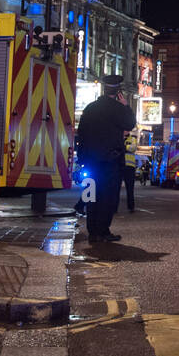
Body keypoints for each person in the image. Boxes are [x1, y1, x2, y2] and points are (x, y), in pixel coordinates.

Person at [74, 74, 135, 243]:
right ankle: (103, 230)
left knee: (90, 196)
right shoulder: (118, 109)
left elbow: (82, 134)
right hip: (110, 161)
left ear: (104, 88)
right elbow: (130, 124)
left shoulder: (90, 108)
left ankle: (92, 231)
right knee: (108, 196)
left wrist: (81, 158)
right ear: (117, 91)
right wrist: (125, 106)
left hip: (90, 161)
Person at [121, 133, 138, 211]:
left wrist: (124, 147)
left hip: (129, 166)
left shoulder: (132, 139)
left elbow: (133, 148)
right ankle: (113, 207)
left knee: (130, 188)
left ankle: (131, 207)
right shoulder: (117, 138)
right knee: (115, 188)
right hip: (119, 166)